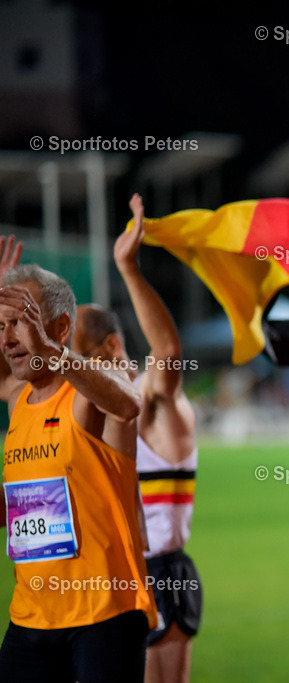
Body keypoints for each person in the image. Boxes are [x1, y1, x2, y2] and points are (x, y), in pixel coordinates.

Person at [0, 243, 157, 682]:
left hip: (103, 617)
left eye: (19, 323)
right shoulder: (18, 404)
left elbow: (129, 404)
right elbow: (24, 508)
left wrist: (49, 350)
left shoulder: (95, 391)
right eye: (1, 326)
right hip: (31, 618)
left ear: (60, 326)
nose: (8, 338)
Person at [70, 194, 201, 683]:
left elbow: (167, 351)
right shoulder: (79, 410)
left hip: (160, 572)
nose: (69, 369)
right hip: (103, 577)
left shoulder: (150, 404)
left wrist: (127, 267)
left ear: (110, 346)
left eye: (75, 355)